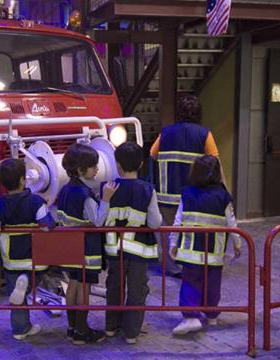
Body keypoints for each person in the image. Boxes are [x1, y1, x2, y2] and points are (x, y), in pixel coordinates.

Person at [0, 158, 55, 340]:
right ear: (23, 180)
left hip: (11, 260)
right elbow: (47, 225)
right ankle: (27, 283)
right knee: (28, 283)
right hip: (35, 258)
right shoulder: (36, 202)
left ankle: (20, 329)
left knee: (16, 295)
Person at [168, 155, 241, 335]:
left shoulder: (187, 193)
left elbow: (178, 221)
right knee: (213, 285)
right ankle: (211, 315)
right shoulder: (223, 195)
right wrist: (237, 244)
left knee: (190, 283)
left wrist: (172, 243)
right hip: (214, 254)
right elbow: (231, 223)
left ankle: (191, 317)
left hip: (190, 252)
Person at [150, 95, 221, 277]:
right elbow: (215, 163)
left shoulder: (166, 133)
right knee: (191, 230)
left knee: (167, 230)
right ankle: (191, 265)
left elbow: (153, 154)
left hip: (166, 195)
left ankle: (171, 266)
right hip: (194, 194)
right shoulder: (205, 134)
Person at [55, 143, 118, 345]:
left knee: (72, 284)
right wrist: (106, 200)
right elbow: (98, 221)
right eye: (93, 166)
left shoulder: (65, 190)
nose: (97, 170)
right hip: (87, 251)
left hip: (69, 249)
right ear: (81, 169)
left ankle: (72, 328)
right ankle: (82, 332)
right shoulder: (84, 195)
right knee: (84, 288)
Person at [103, 142, 162, 344]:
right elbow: (155, 223)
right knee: (137, 289)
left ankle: (111, 327)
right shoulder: (147, 190)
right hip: (138, 251)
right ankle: (131, 333)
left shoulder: (108, 188)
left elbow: (101, 219)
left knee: (114, 287)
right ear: (141, 164)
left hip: (114, 250)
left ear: (117, 164)